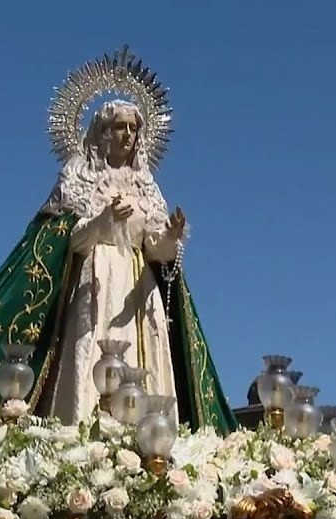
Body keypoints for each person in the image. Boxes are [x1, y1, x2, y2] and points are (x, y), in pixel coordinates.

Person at [23, 47, 237, 430]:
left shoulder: (146, 186)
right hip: (96, 280)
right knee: (90, 351)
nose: (127, 134)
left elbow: (155, 249)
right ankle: (83, 430)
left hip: (138, 287)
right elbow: (69, 241)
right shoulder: (78, 177)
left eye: (133, 128)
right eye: (120, 127)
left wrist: (171, 236)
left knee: (144, 362)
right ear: (102, 133)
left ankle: (149, 438)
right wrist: (104, 220)